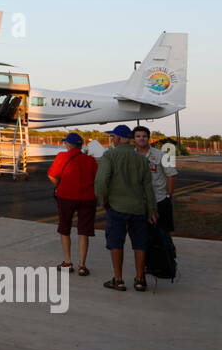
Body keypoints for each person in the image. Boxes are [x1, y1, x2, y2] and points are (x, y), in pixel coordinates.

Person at [93, 124, 158, 292]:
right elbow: (148, 187)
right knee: (139, 244)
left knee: (116, 243)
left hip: (117, 207)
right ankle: (139, 279)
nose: (112, 139)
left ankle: (118, 279)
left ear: (118, 139)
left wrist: (103, 200)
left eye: (113, 137)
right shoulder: (142, 159)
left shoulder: (110, 155)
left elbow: (101, 181)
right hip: (138, 208)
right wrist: (151, 209)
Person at [47, 132, 97, 275]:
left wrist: (58, 185)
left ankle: (68, 262)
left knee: (64, 228)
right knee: (84, 231)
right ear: (81, 145)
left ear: (68, 144)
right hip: (87, 198)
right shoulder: (90, 160)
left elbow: (51, 175)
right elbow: (96, 179)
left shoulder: (62, 157)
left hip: (66, 197)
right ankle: (82, 265)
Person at [133, 126, 177, 236]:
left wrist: (168, 196)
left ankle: (166, 253)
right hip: (139, 202)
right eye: (138, 136)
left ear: (149, 138)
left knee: (163, 234)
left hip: (159, 199)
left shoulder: (162, 155)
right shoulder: (131, 156)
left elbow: (171, 175)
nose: (141, 139)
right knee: (142, 235)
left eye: (144, 136)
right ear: (133, 139)